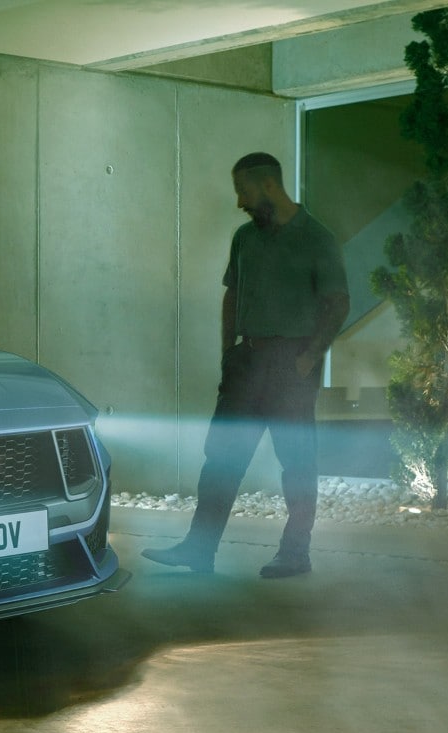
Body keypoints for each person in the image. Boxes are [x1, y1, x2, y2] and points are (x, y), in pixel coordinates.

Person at [143, 152, 349, 578]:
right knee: (221, 458)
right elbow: (231, 295)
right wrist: (228, 352)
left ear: (269, 186)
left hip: (292, 365)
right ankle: (199, 549)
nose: (240, 202)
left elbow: (338, 302)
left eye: (244, 191)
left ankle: (295, 554)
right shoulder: (245, 237)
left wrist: (310, 356)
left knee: (296, 462)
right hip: (246, 360)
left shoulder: (317, 237)